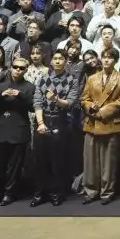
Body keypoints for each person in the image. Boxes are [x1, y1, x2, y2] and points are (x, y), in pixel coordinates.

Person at [31, 51, 82, 207]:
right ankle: (39, 194)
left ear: (65, 62)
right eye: (55, 58)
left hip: (61, 120)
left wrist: (56, 99)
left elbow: (70, 103)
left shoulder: (72, 80)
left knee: (57, 161)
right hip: (43, 119)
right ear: (51, 61)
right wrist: (40, 123)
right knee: (40, 160)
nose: (58, 61)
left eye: (61, 59)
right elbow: (37, 102)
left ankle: (56, 193)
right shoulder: (43, 79)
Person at [0, 56, 36, 206]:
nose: (18, 70)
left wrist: (20, 95)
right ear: (11, 68)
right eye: (15, 67)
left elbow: (34, 107)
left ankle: (9, 194)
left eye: (21, 68)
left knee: (15, 166)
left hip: (19, 129)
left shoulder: (29, 87)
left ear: (26, 70)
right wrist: (1, 96)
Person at [81, 50, 120, 205]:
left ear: (115, 60)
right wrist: (90, 107)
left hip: (110, 122)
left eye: (110, 58)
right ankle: (91, 190)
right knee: (90, 160)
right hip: (92, 122)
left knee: (109, 161)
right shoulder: (92, 78)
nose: (106, 60)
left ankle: (107, 192)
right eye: (104, 57)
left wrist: (102, 111)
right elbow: (84, 98)